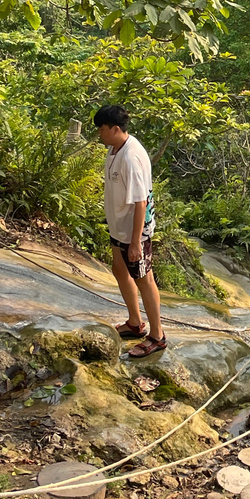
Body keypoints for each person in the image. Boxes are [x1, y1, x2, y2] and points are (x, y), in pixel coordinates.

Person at [94, 105, 166, 357]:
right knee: (119, 268)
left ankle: (157, 335)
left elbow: (140, 202)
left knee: (143, 278)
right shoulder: (114, 149)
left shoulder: (132, 156)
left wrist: (136, 242)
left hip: (136, 230)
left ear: (115, 129)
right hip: (119, 226)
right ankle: (135, 323)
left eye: (102, 130)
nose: (99, 134)